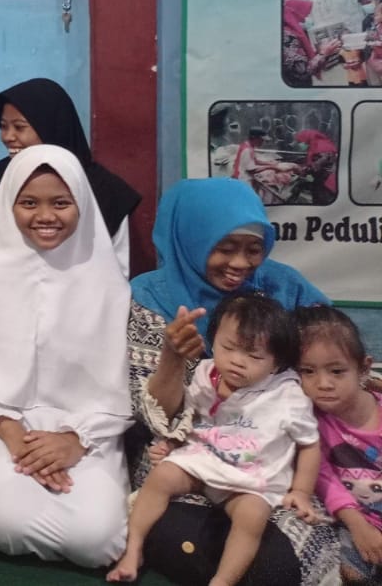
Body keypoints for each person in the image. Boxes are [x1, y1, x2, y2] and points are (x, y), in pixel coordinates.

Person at [126, 178, 335, 585]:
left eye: (253, 249)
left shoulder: (284, 288)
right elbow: (152, 418)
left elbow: (330, 360)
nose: (240, 263)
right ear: (192, 239)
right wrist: (172, 358)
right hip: (180, 458)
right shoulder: (149, 298)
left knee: (284, 558)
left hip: (270, 461)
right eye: (224, 248)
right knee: (191, 541)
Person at [0, 145, 132, 569]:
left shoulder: (107, 282)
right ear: (9, 205)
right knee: (6, 524)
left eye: (60, 203)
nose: (45, 216)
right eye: (29, 203)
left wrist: (74, 441)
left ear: (82, 204)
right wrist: (11, 431)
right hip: (1, 423)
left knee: (98, 542)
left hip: (89, 432)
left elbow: (119, 388)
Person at [109, 295, 320, 585]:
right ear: (213, 340)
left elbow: (310, 443)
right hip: (203, 461)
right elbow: (192, 420)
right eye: (228, 347)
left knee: (252, 516)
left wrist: (302, 491)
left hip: (248, 480)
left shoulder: (287, 396)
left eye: (254, 356)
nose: (237, 361)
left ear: (277, 364)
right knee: (163, 475)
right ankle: (133, 549)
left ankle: (222, 580)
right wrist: (173, 444)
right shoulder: (206, 373)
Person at [0, 77, 141, 274]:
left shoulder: (105, 191)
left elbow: (116, 270)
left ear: (50, 126)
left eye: (19, 127)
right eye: (3, 126)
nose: (8, 137)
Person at [296, 306, 382, 584]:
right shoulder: (309, 422)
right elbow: (324, 478)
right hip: (356, 519)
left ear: (363, 368)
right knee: (350, 572)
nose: (323, 383)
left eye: (336, 371)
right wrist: (359, 526)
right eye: (307, 371)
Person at [282, 0, 342, 88]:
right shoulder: (287, 36)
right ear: (293, 13)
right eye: (303, 16)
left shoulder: (294, 32)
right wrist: (323, 53)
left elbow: (303, 58)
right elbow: (303, 71)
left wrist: (322, 52)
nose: (304, 20)